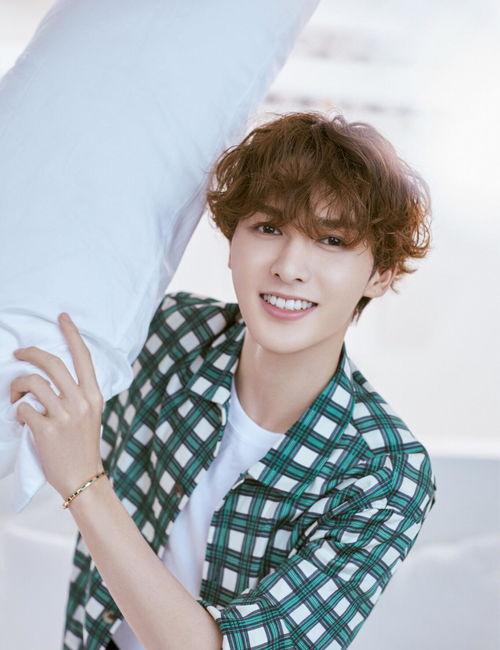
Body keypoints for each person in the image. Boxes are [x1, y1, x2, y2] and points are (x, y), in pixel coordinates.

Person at [61, 111, 437, 649]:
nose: (289, 266)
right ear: (232, 241)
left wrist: (82, 482)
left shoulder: (385, 472)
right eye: (269, 228)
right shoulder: (165, 333)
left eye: (331, 240)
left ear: (381, 274)